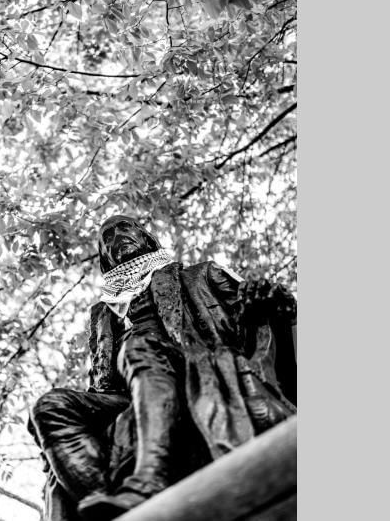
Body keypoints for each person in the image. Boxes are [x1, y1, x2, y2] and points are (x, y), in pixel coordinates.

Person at [29, 215, 297, 520]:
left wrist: (267, 299)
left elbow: (257, 316)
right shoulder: (103, 314)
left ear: (147, 239)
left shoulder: (202, 275)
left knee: (138, 344)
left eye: (124, 228)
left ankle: (148, 481)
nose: (117, 236)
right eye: (107, 238)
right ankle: (104, 499)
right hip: (130, 392)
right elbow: (103, 384)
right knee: (50, 407)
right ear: (106, 259)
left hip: (190, 363)